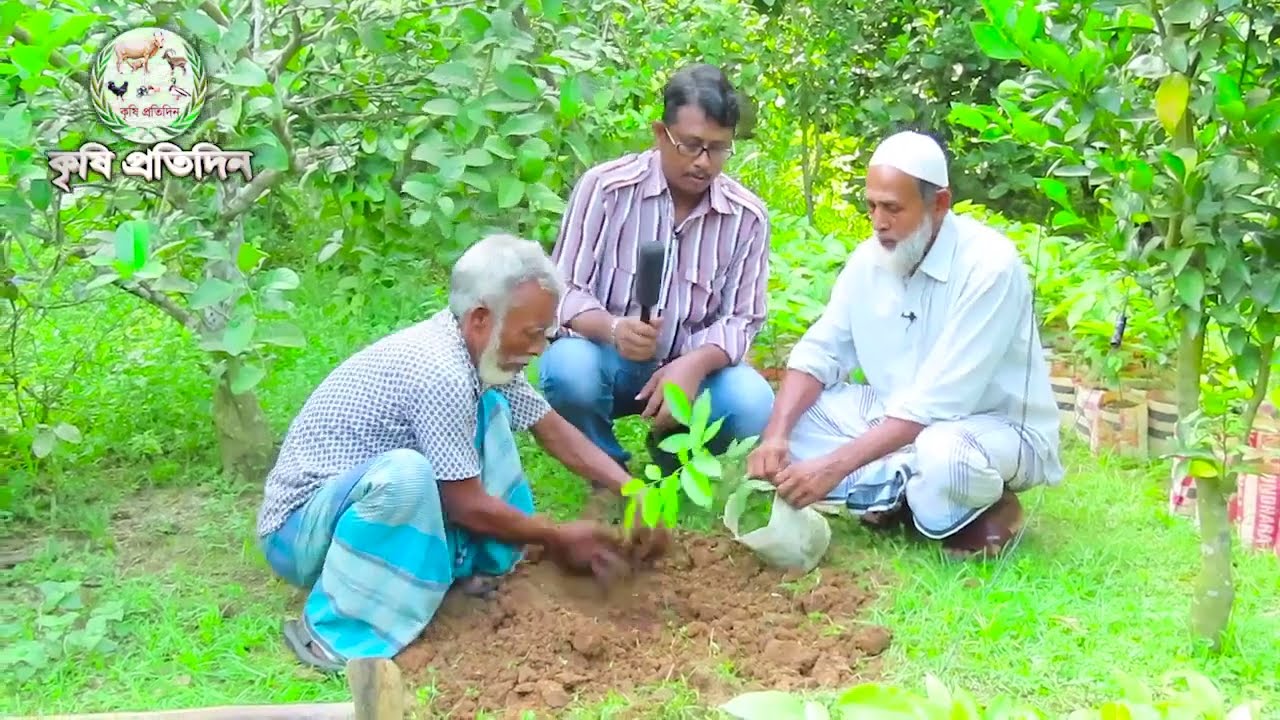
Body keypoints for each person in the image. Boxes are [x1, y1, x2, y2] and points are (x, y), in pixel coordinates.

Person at [255, 234, 665, 673]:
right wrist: (554, 534)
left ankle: (461, 568)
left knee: (490, 410)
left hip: (357, 510)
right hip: (297, 534)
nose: (538, 350)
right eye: (530, 334)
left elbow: (551, 429)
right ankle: (338, 634)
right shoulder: (440, 371)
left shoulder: (481, 359)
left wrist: (633, 488)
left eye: (544, 336)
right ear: (480, 319)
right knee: (408, 474)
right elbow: (462, 502)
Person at [746, 130, 1064, 559]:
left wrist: (834, 466)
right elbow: (820, 352)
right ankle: (906, 494)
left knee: (944, 457)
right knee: (790, 416)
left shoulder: (990, 267)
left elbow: (938, 404)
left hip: (991, 429)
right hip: (896, 417)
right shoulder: (869, 259)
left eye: (893, 208)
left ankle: (964, 497)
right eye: (872, 206)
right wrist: (775, 436)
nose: (879, 221)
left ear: (939, 204)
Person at [539, 63, 775, 477]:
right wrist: (612, 329)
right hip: (608, 360)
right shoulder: (606, 189)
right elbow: (563, 290)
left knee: (751, 400)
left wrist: (693, 364)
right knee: (567, 369)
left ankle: (672, 460)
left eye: (718, 148)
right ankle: (608, 469)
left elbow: (743, 318)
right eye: (691, 145)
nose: (703, 162)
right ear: (659, 133)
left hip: (690, 371)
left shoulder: (747, 216)